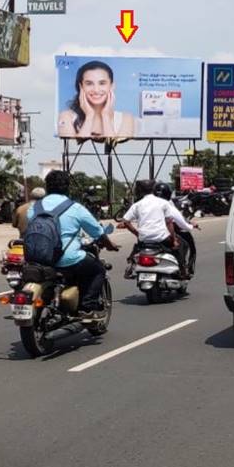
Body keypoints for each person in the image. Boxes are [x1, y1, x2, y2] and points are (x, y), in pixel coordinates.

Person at [27, 170, 120, 319]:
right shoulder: (75, 208)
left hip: (40, 258)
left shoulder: (34, 208)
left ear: (47, 187)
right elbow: (97, 231)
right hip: (66, 258)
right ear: (67, 187)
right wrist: (109, 245)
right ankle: (87, 307)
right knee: (98, 270)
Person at [121, 180, 195, 279]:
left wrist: (137, 233)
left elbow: (125, 221)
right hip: (162, 239)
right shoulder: (163, 203)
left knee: (137, 247)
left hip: (143, 239)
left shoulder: (137, 205)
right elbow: (169, 223)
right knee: (180, 245)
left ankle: (130, 266)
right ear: (153, 190)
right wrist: (174, 240)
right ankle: (182, 270)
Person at [57, 60, 135, 140]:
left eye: (102, 83)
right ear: (81, 87)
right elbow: (74, 148)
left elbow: (116, 148)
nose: (96, 90)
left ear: (112, 86)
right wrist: (89, 116)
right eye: (89, 83)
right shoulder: (66, 117)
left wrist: (105, 116)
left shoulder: (126, 119)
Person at [154, 181, 198, 277]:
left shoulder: (148, 204)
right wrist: (190, 226)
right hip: (166, 233)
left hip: (149, 235)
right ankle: (184, 269)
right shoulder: (167, 205)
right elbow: (178, 222)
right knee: (185, 246)